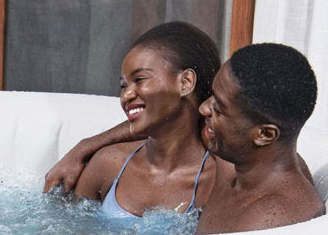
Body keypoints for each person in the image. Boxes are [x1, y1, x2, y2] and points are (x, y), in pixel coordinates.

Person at [72, 22, 220, 221]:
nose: (126, 95)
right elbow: (68, 233)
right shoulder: (108, 164)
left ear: (185, 82)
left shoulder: (215, 181)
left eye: (140, 79)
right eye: (123, 86)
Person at [196, 43, 324, 233]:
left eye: (219, 109)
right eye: (211, 96)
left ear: (264, 134)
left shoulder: (270, 220)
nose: (203, 108)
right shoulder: (239, 165)